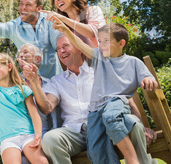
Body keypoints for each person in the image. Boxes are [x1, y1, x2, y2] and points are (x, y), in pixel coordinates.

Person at [19, 35, 157, 163]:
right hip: (75, 133)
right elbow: (47, 107)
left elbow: (127, 100)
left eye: (65, 46)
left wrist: (145, 126)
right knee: (50, 139)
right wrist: (35, 83)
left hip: (105, 128)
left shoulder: (99, 71)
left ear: (80, 49)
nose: (61, 51)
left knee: (133, 123)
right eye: (58, 49)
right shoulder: (57, 81)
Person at [42, 0, 106, 47]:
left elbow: (92, 33)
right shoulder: (63, 26)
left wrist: (63, 19)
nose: (57, 0)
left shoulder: (93, 10)